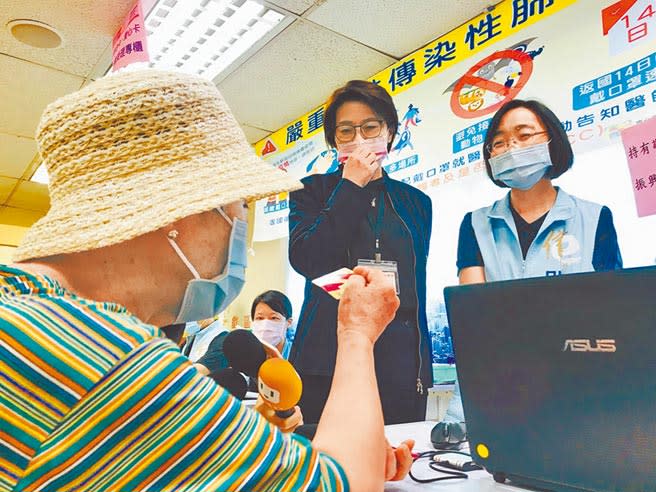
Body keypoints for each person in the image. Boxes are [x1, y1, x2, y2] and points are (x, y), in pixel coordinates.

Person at [0, 69, 414, 491]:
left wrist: (235, 438)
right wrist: (357, 334)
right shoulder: (114, 362)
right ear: (182, 218)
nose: (239, 226)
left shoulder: (22, 309)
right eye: (238, 205)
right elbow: (340, 485)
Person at [443, 98, 623, 424]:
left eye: (524, 135)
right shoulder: (476, 225)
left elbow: (609, 316)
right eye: (498, 142)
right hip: (497, 395)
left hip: (576, 398)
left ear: (551, 141)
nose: (511, 147)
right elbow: (474, 320)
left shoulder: (595, 218)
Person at [289, 80, 433, 425]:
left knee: (398, 470)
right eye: (345, 131)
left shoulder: (416, 202)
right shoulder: (311, 191)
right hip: (327, 357)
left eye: (370, 127)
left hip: (399, 362)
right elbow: (309, 259)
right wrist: (351, 185)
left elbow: (417, 286)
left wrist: (422, 367)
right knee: (329, 468)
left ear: (390, 131)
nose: (359, 138)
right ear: (333, 140)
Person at [251, 289, 293, 356]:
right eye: (260, 318)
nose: (265, 326)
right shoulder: (246, 354)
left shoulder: (298, 356)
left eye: (274, 318)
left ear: (288, 322)